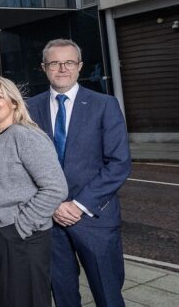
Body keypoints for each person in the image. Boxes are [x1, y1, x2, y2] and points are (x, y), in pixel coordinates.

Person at [27, 39, 131, 307]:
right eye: (54, 63)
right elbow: (23, 164)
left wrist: (78, 205)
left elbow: (118, 163)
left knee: (108, 295)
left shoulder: (104, 104)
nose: (62, 68)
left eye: (69, 62)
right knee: (63, 296)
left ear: (80, 66)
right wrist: (52, 204)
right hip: (49, 220)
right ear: (43, 67)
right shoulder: (28, 108)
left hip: (94, 218)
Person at [0, 75, 67, 307]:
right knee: (1, 295)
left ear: (13, 102)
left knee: (24, 298)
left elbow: (55, 188)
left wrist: (19, 227)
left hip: (20, 233)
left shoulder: (26, 136)